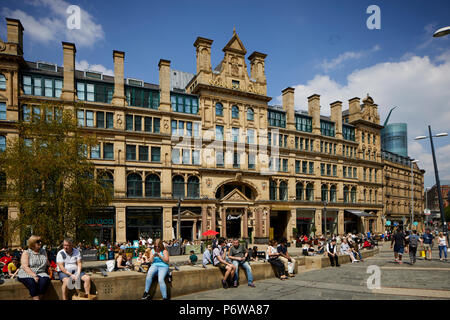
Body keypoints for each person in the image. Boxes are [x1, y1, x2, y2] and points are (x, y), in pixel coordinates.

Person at [17, 236, 51, 300]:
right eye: (38, 242)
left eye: (41, 241)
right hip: (27, 273)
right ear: (32, 243)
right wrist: (34, 275)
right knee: (32, 283)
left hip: (41, 272)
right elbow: (25, 267)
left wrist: (52, 268)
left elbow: (47, 262)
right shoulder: (26, 252)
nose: (40, 243)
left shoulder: (43, 251)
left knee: (45, 281)